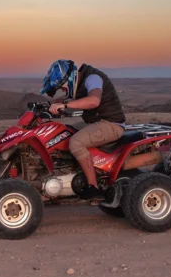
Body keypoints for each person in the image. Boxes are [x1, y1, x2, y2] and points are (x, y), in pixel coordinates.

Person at [40, 59, 126, 200]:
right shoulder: (80, 83)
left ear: (69, 79)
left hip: (111, 124)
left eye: (62, 87)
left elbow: (94, 100)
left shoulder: (92, 78)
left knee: (76, 142)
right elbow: (65, 99)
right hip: (98, 123)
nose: (62, 90)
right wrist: (47, 105)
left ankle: (93, 188)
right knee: (64, 133)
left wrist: (65, 106)